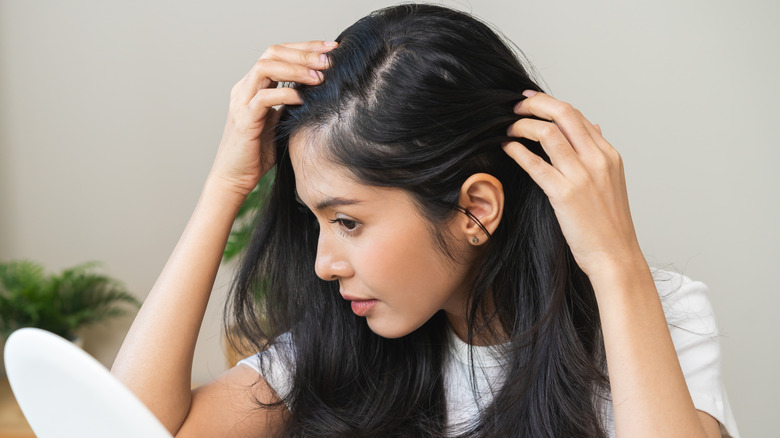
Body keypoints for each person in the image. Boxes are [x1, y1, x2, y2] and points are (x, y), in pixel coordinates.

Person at [110, 4, 739, 437]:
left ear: (475, 209)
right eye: (318, 222)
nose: (324, 264)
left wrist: (614, 262)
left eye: (348, 222)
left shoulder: (656, 315)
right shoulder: (337, 346)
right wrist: (226, 185)